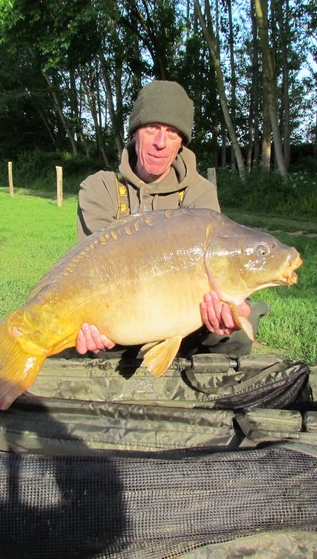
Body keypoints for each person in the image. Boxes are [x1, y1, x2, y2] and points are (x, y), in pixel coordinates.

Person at [74, 80, 268, 358]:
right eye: (151, 128)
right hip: (120, 316)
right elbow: (89, 272)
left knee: (237, 324)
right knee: (83, 334)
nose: (160, 143)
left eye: (173, 132)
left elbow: (217, 273)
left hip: (184, 323)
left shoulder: (200, 193)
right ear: (135, 132)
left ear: (182, 142)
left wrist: (227, 314)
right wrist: (94, 324)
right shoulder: (100, 189)